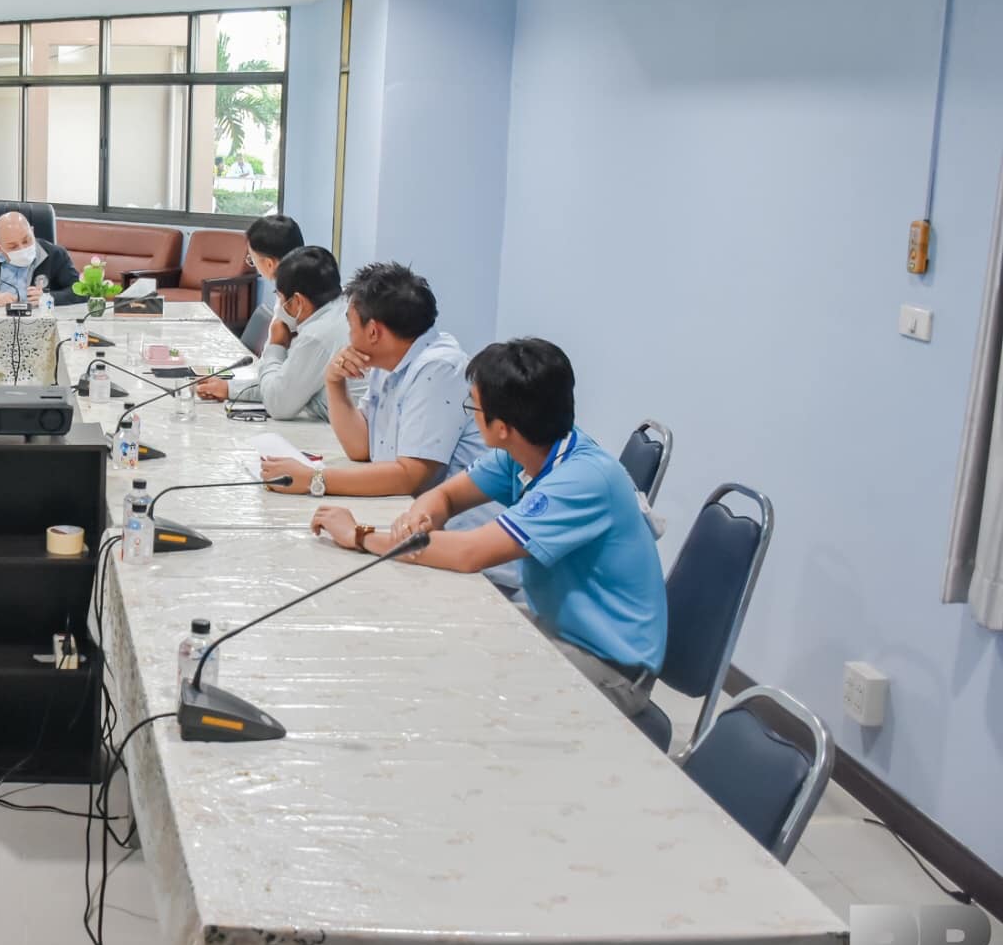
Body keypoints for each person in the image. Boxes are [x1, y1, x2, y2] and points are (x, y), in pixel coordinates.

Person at [310, 338, 667, 716]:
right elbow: (446, 497)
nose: (471, 414)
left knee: (456, 690)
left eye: (473, 407)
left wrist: (360, 536)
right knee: (442, 642)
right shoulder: (528, 449)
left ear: (502, 427)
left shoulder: (580, 479)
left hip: (608, 666)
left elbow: (469, 553)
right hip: (557, 628)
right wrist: (422, 517)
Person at [262, 261, 486, 504]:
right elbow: (360, 448)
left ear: (373, 332)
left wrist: (313, 479)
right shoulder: (389, 359)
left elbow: (411, 476)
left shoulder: (440, 369)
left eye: (350, 325)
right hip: (404, 508)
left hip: (457, 522)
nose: (348, 336)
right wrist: (334, 382)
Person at [196, 245, 355, 419]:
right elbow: (286, 384)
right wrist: (230, 389)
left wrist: (276, 346)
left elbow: (278, 404)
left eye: (280, 297)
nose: (279, 306)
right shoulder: (338, 309)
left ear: (298, 301)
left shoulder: (317, 335)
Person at [0, 210, 80, 306]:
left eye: (26, 241)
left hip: (38, 319)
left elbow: (80, 291)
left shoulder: (56, 254)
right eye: (13, 246)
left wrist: (48, 297)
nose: (22, 249)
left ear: (32, 232)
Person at [240, 214, 304, 353]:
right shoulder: (307, 286)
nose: (252, 264)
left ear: (269, 264)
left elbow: (277, 355)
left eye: (252, 259)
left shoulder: (291, 304)